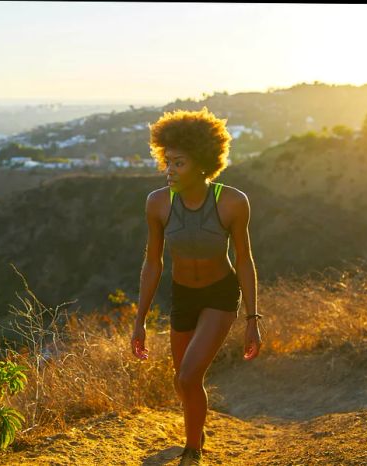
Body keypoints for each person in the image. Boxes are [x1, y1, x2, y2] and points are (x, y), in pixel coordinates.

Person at [131, 107, 263, 465]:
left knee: (190, 377)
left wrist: (252, 319)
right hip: (183, 296)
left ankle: (193, 450)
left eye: (179, 163)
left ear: (203, 162)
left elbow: (244, 259)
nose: (169, 171)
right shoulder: (157, 203)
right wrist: (140, 319)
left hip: (219, 295)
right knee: (181, 381)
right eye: (167, 162)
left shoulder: (232, 202)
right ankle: (197, 427)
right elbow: (153, 262)